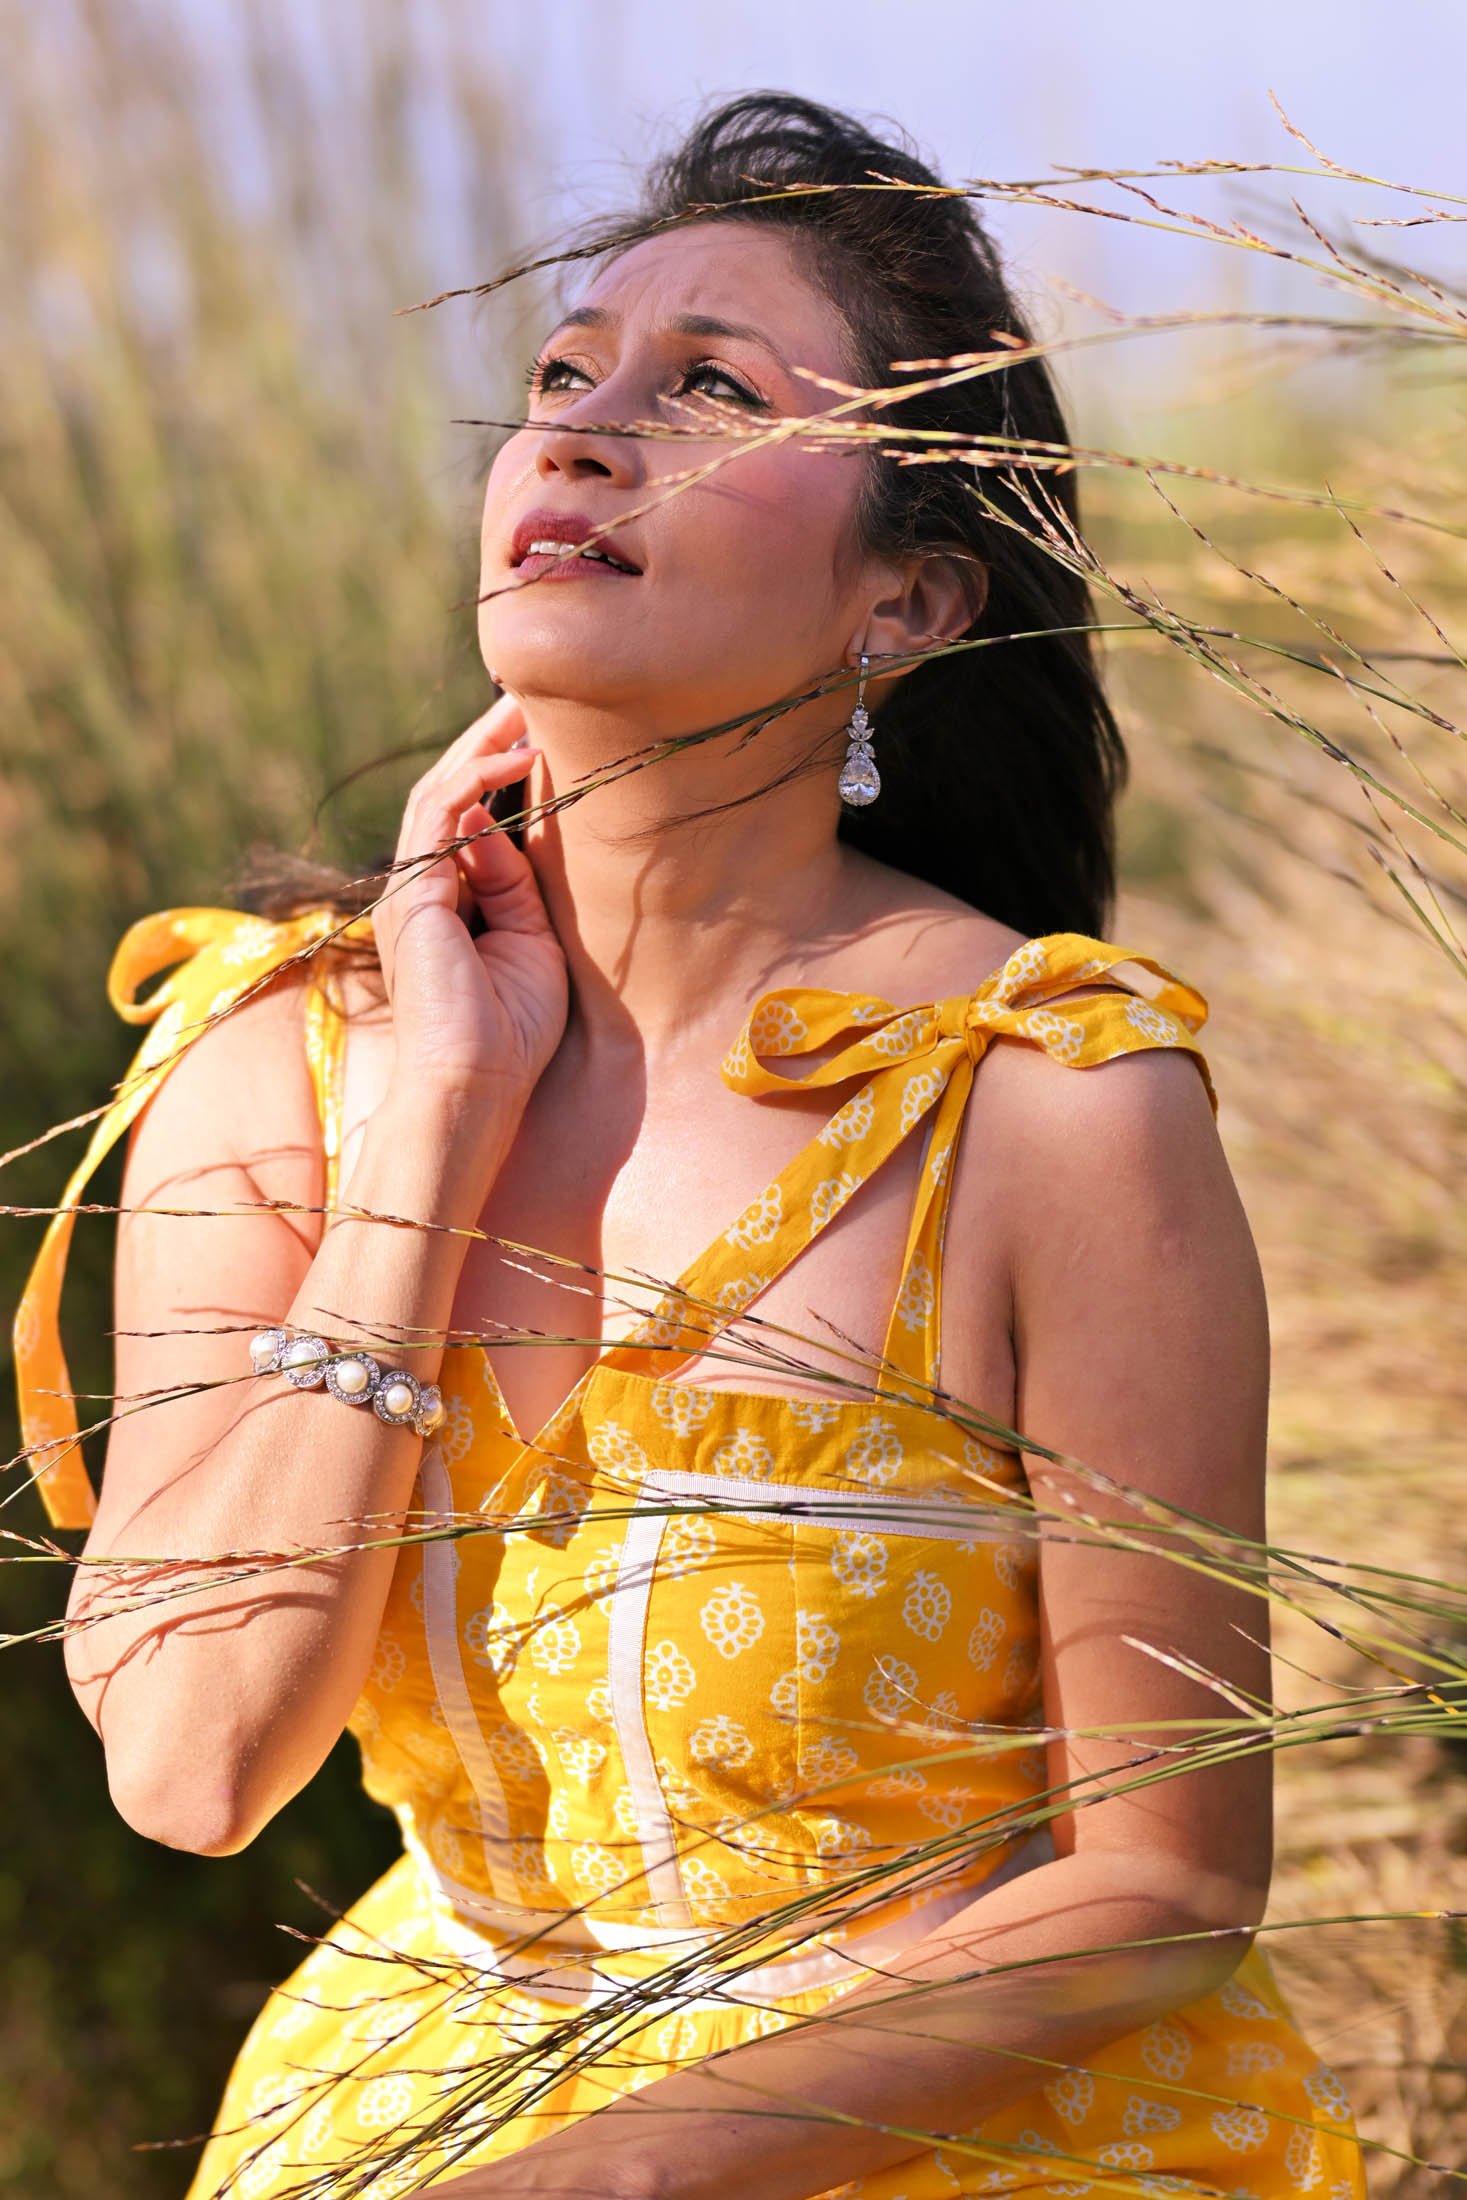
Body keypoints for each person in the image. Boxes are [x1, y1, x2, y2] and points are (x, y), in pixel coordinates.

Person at [16, 93, 1367, 2200]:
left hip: (961, 2134)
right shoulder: (269, 1060)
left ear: (904, 603)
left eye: (709, 391)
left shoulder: (1035, 1099)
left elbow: (1165, 1873)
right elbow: (195, 1761)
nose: (578, 432)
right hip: (400, 2105)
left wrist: (618, 2170)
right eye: (562, 378)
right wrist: (434, 1126)